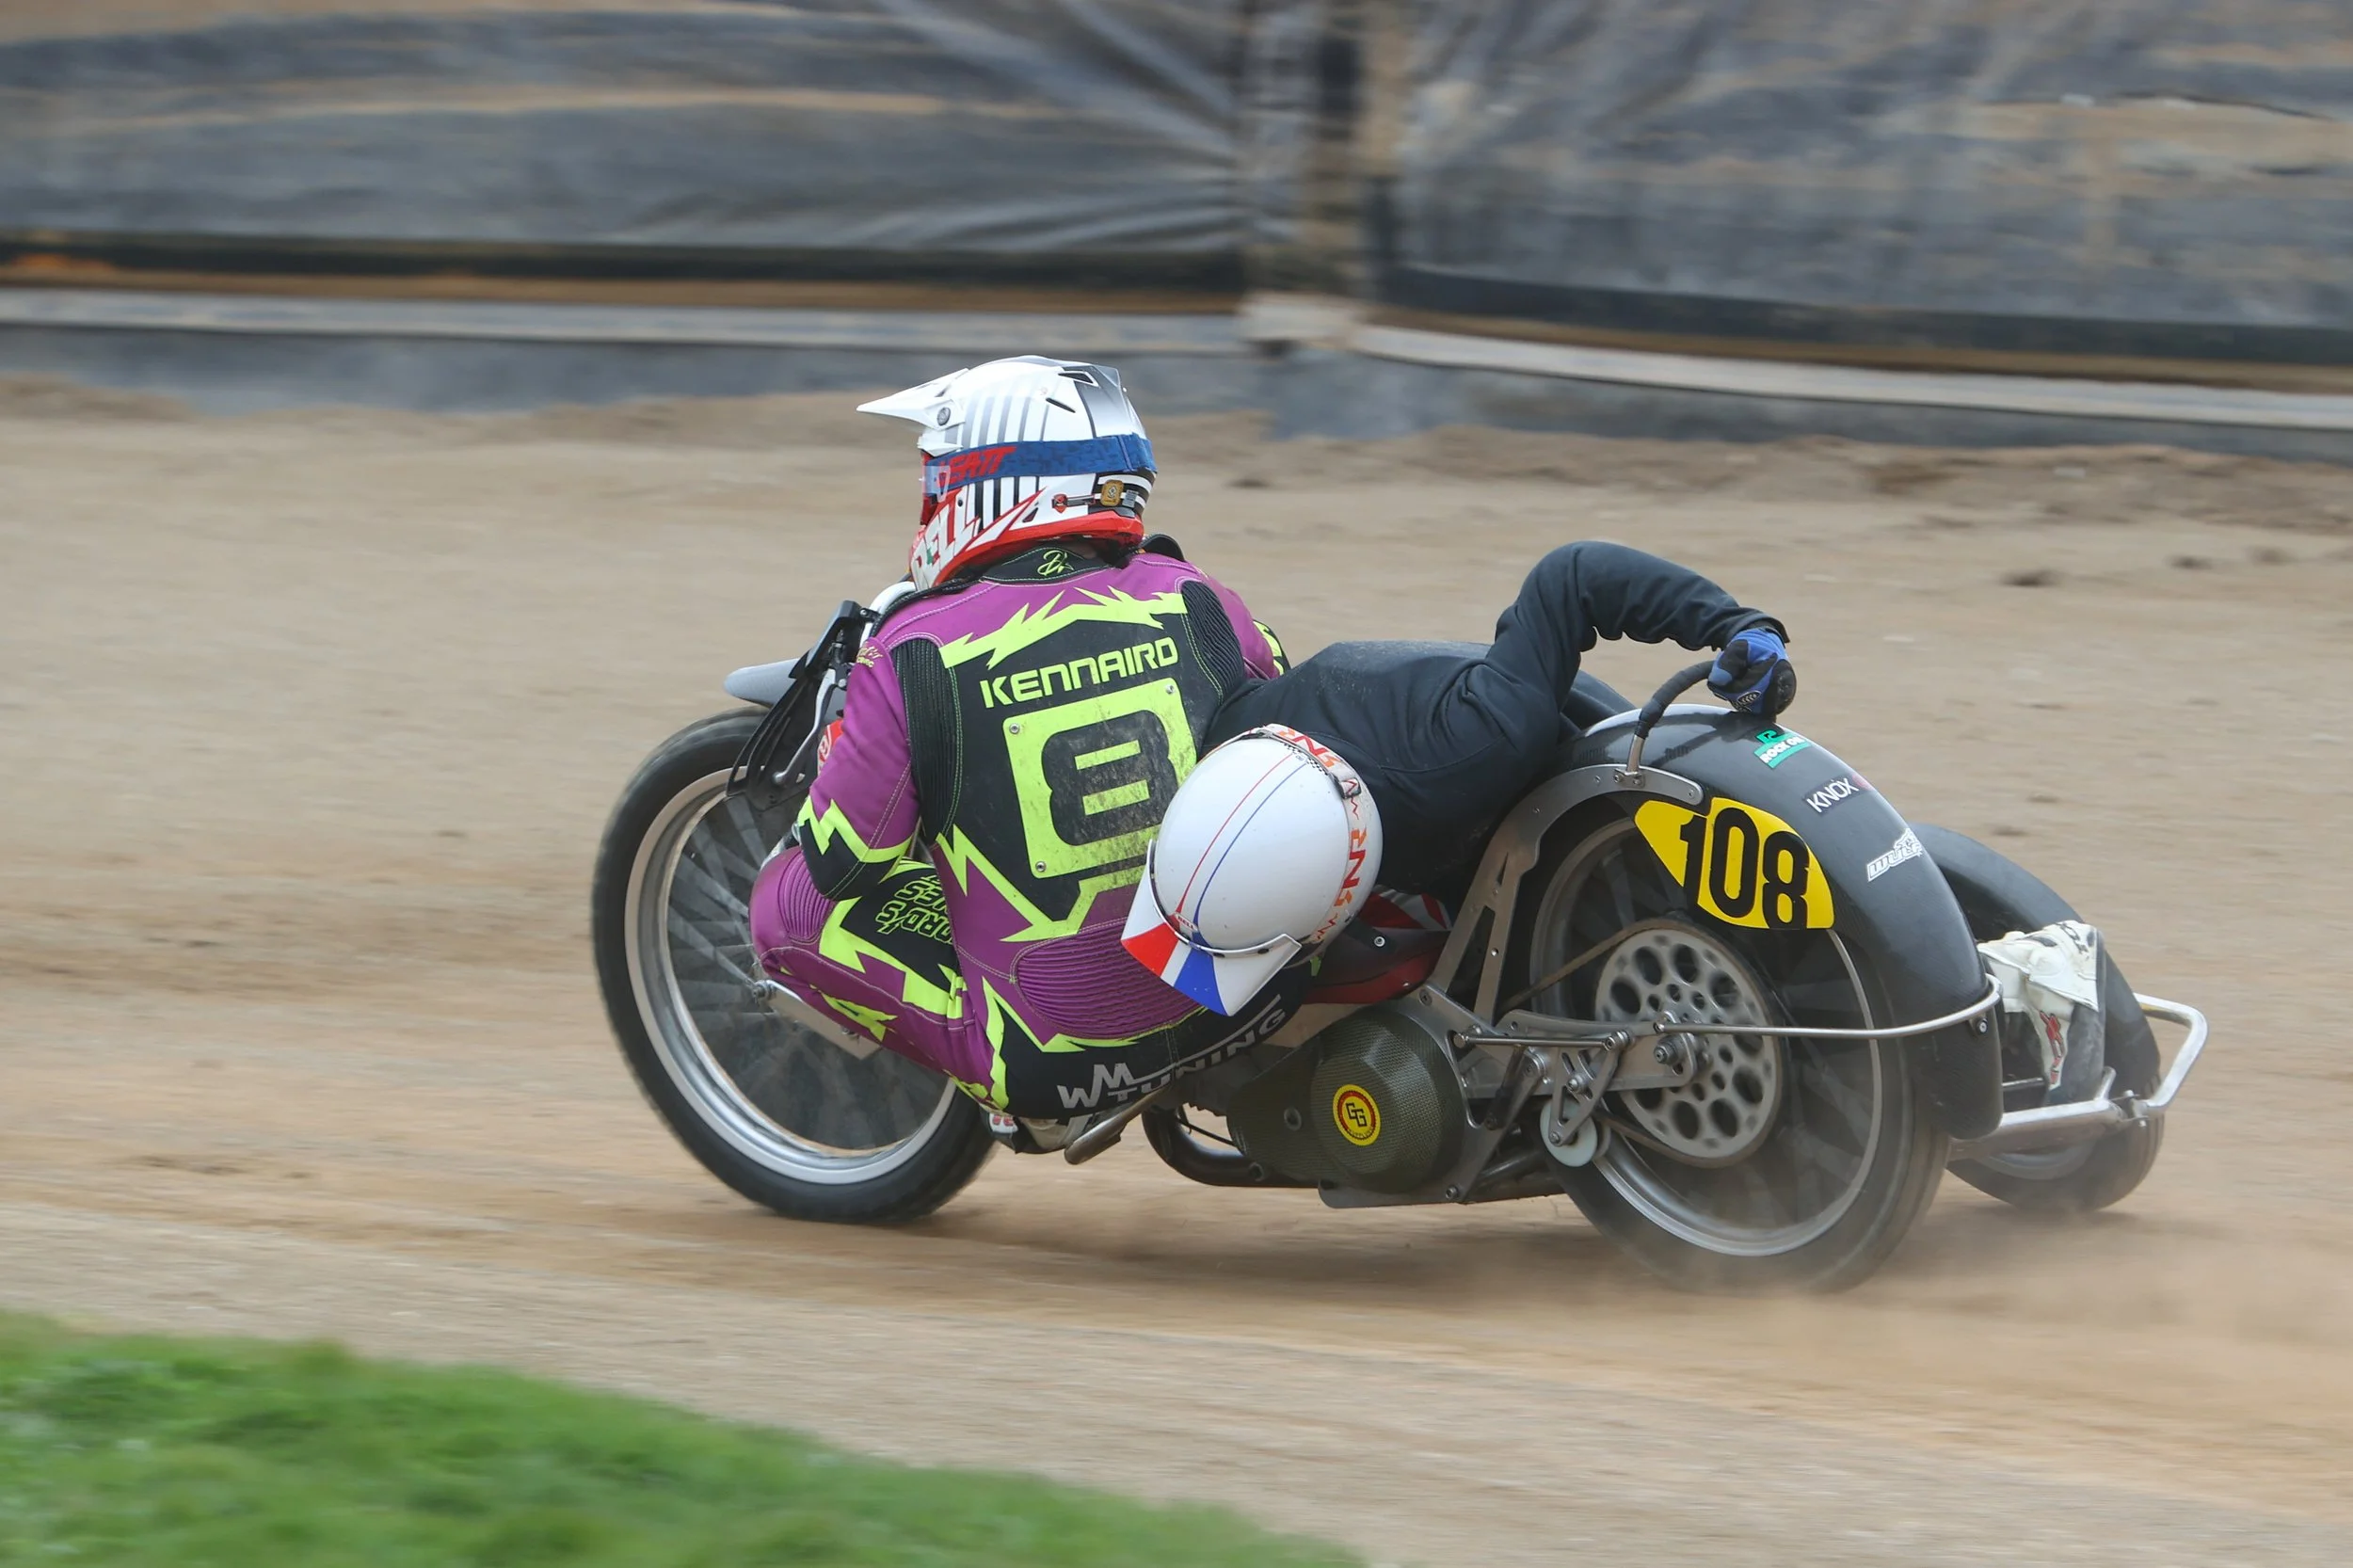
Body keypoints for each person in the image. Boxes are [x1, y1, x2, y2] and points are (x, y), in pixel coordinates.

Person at [746, 356, 1299, 1126]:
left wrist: (853, 751)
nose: (930, 499)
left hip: (1055, 1064)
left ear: (995, 485)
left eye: (939, 479)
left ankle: (1001, 1088)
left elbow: (846, 863)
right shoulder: (1199, 595)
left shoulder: (911, 649)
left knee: (783, 902)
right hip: (1245, 1006)